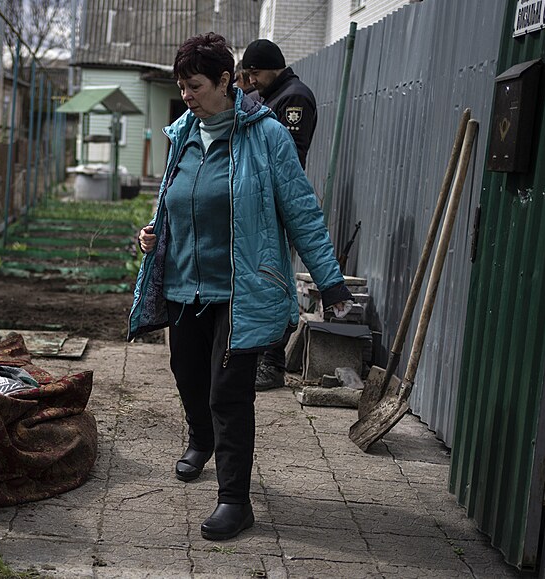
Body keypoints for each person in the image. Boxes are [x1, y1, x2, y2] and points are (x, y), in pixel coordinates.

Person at [128, 33, 352, 541]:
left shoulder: (266, 135)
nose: (186, 94)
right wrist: (154, 232)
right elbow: (178, 200)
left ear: (227, 81)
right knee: (187, 376)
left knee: (229, 393)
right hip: (184, 288)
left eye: (196, 85)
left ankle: (235, 500)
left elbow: (301, 210)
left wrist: (331, 283)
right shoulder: (181, 134)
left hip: (241, 291)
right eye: (181, 85)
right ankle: (199, 439)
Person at [241, 38, 320, 390]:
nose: (251, 79)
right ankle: (261, 357)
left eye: (255, 72)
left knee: (275, 284)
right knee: (263, 282)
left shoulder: (294, 98)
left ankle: (272, 364)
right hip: (260, 207)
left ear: (273, 66)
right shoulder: (270, 95)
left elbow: (289, 159)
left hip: (276, 206)